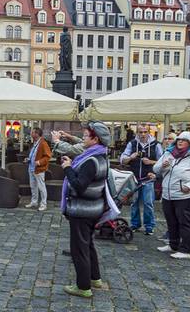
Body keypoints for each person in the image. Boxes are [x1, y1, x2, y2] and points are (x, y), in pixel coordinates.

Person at [60, 121, 112, 298]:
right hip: (93, 209)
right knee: (88, 244)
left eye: (85, 136)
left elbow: (79, 185)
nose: (82, 138)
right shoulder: (102, 156)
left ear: (95, 139)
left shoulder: (91, 160)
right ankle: (95, 278)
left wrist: (67, 168)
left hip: (82, 210)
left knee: (79, 248)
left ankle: (83, 287)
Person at [154, 132, 190, 259]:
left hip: (186, 196)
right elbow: (156, 169)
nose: (180, 142)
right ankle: (173, 245)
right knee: (171, 221)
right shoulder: (168, 154)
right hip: (168, 194)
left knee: (185, 223)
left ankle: (185, 250)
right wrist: (163, 165)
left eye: (184, 140)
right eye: (179, 140)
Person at [120, 125, 163, 235]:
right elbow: (122, 161)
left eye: (145, 132)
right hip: (134, 178)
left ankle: (149, 226)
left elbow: (163, 161)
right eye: (140, 132)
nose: (143, 134)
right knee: (134, 203)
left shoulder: (156, 145)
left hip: (148, 178)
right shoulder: (132, 143)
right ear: (137, 133)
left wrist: (151, 162)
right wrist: (131, 157)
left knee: (148, 203)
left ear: (149, 132)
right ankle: (135, 224)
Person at [25, 128, 51, 211]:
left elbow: (47, 156)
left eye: (32, 132)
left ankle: (43, 204)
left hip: (38, 169)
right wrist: (29, 159)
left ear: (37, 134)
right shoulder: (36, 143)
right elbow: (34, 155)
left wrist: (39, 162)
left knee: (41, 187)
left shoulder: (43, 143)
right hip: (31, 168)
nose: (31, 133)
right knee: (33, 186)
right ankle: (34, 202)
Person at [157, 132, 177, 244]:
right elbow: (157, 168)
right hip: (167, 187)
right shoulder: (166, 153)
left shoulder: (177, 154)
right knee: (168, 214)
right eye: (166, 138)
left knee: (174, 214)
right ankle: (170, 235)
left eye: (171, 139)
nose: (168, 141)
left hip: (177, 189)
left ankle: (173, 237)